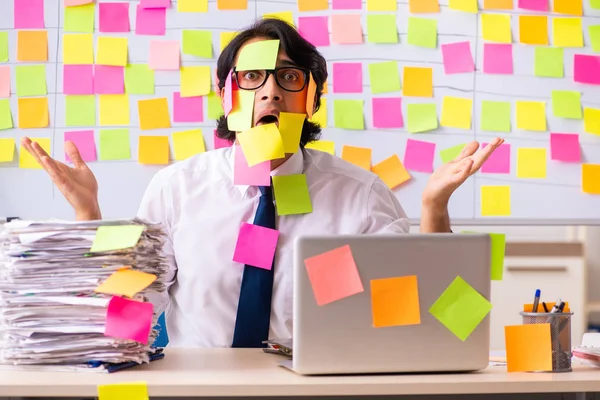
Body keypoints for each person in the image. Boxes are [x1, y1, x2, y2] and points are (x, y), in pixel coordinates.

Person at [21, 18, 503, 348]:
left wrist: (434, 208)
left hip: (319, 390)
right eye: (252, 76)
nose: (270, 90)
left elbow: (439, 313)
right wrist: (89, 218)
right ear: (224, 92)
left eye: (289, 77)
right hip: (201, 389)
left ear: (311, 100)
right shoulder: (176, 186)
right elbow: (130, 305)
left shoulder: (361, 193)